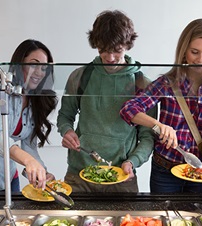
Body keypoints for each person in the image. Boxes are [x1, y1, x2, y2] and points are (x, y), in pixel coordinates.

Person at [120, 18, 202, 193]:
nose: (201, 59)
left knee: (194, 219)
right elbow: (129, 109)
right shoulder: (167, 83)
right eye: (194, 52)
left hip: (200, 172)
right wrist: (158, 125)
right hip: (165, 172)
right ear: (184, 52)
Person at [57, 10, 157, 192]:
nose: (110, 58)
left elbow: (147, 136)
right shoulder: (80, 76)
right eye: (103, 50)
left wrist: (132, 162)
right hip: (79, 175)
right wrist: (67, 131)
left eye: (117, 50)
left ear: (128, 45)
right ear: (95, 44)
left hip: (122, 176)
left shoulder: (143, 85)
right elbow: (65, 115)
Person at [0, 39, 58, 191]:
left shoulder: (35, 101)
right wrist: (28, 161)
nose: (39, 72)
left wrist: (42, 172)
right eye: (33, 64)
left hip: (8, 178)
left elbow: (28, 144)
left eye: (44, 68)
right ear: (20, 64)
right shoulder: (2, 92)